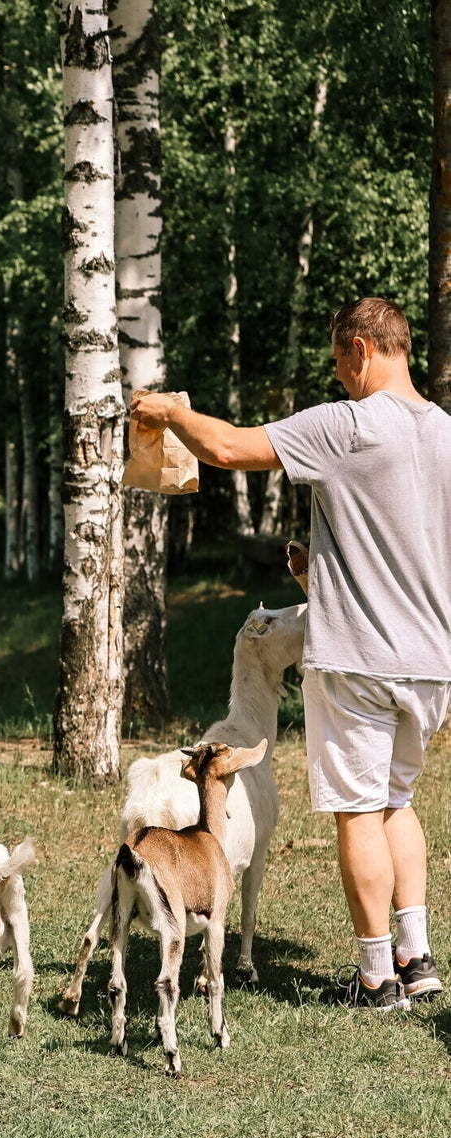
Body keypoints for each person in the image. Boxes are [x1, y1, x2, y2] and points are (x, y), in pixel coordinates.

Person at [132, 297, 451, 1010]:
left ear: (361, 350)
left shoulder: (349, 424)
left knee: (358, 811)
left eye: (340, 362)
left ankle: (377, 978)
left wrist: (172, 414)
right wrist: (326, 576)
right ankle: (418, 958)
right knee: (398, 801)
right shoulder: (446, 434)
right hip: (432, 659)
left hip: (360, 660)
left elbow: (227, 449)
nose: (339, 377)